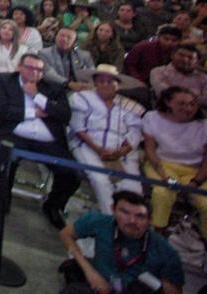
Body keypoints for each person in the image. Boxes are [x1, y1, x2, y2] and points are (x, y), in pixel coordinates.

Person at [0, 53, 81, 229]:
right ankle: (3, 198)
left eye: (39, 69)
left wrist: (37, 96)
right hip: (14, 134)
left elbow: (64, 115)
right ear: (19, 67)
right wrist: (35, 113)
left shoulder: (53, 87)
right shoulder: (4, 81)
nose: (35, 72)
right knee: (5, 158)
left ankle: (53, 205)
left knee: (73, 173)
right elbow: (2, 111)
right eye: (30, 68)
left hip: (47, 140)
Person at [58, 191, 184, 294]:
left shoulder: (165, 252)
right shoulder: (100, 222)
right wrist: (90, 272)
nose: (132, 221)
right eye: (125, 212)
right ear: (113, 210)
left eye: (140, 216)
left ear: (149, 220)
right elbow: (66, 234)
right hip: (100, 286)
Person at [68, 65, 146, 213]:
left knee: (132, 187)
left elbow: (135, 131)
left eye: (110, 81)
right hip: (87, 145)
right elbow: (78, 127)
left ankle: (130, 222)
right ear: (94, 82)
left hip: (122, 152)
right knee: (100, 180)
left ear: (118, 85)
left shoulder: (129, 105)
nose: (105, 84)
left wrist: (123, 151)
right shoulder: (81, 98)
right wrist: (98, 149)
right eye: (101, 81)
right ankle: (110, 219)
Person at [142, 86, 207, 238]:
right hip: (162, 164)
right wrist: (164, 175)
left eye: (192, 104)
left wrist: (196, 182)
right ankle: (158, 234)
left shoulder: (203, 125)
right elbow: (150, 150)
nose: (188, 108)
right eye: (182, 104)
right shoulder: (152, 118)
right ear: (168, 102)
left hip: (195, 169)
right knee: (163, 192)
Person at [149, 42, 207, 108]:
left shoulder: (204, 78)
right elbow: (162, 93)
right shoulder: (158, 71)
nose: (185, 59)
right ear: (172, 55)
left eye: (190, 57)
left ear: (197, 62)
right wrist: (196, 94)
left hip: (196, 115)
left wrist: (174, 90)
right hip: (164, 110)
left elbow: (205, 101)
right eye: (181, 55)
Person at [40, 27, 95, 91]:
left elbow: (92, 73)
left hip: (81, 89)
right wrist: (69, 84)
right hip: (56, 89)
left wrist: (88, 84)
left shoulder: (84, 55)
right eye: (62, 36)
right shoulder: (44, 53)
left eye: (69, 37)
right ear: (56, 37)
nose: (64, 39)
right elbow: (48, 74)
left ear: (74, 42)